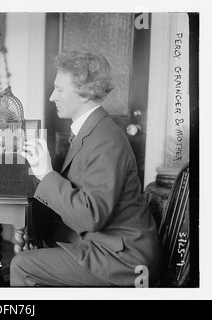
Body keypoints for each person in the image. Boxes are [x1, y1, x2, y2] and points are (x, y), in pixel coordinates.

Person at [12, 51, 162, 287]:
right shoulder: (89, 130)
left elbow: (91, 216)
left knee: (22, 265)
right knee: (41, 237)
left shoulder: (106, 140)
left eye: (60, 90)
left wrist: (46, 174)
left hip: (123, 258)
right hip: (105, 243)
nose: (52, 97)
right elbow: (64, 171)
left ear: (85, 93)